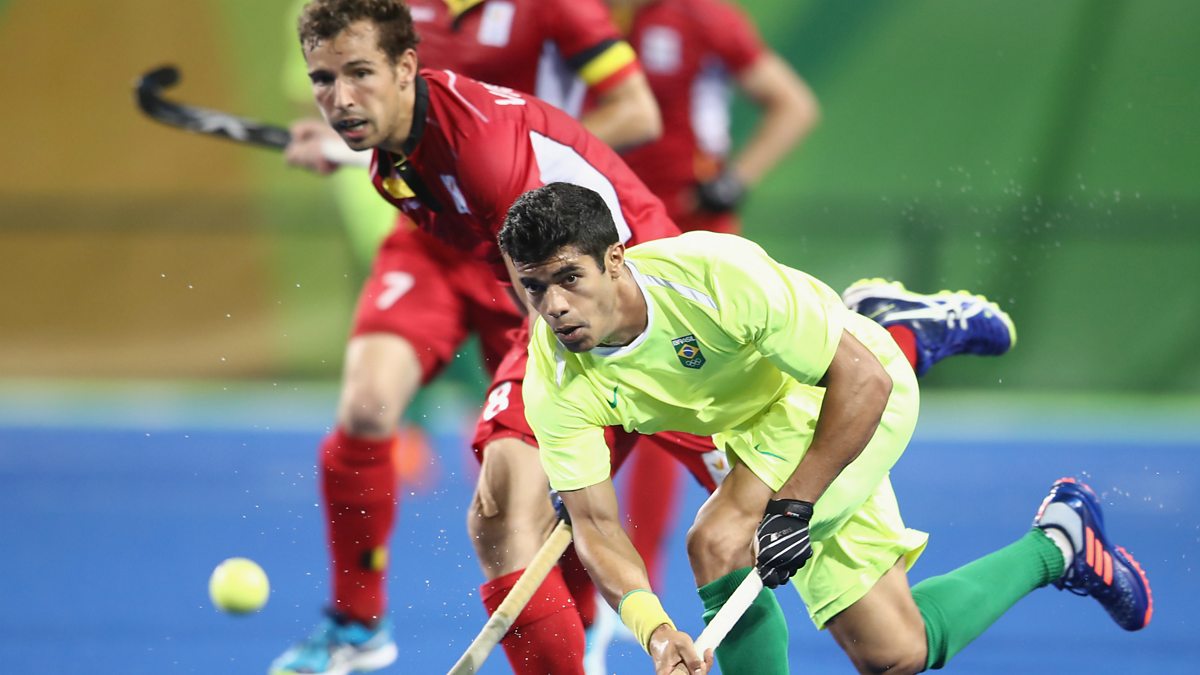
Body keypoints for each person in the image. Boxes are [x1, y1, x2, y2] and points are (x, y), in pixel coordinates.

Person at [501, 182, 1153, 675]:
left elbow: (863, 381)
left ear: (614, 259)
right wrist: (654, 629)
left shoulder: (711, 276)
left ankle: (891, 328)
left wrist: (794, 504)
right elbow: (595, 526)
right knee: (895, 651)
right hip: (756, 434)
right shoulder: (552, 376)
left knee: (719, 540)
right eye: (535, 286)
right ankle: (1059, 542)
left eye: (569, 278)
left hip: (850, 393)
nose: (554, 305)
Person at [272, 2, 717, 674]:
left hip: (628, 303)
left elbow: (564, 295)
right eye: (324, 81)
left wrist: (568, 433)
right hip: (530, 286)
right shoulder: (393, 163)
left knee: (772, 510)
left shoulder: (482, 144)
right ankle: (367, 621)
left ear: (406, 68)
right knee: (507, 507)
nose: (339, 97)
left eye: (359, 74)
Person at [602, 0, 820, 604]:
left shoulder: (701, 15)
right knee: (620, 397)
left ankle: (761, 520)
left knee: (710, 393)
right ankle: (628, 587)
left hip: (698, 238)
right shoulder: (577, 14)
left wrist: (737, 175)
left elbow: (793, 103)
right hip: (612, 234)